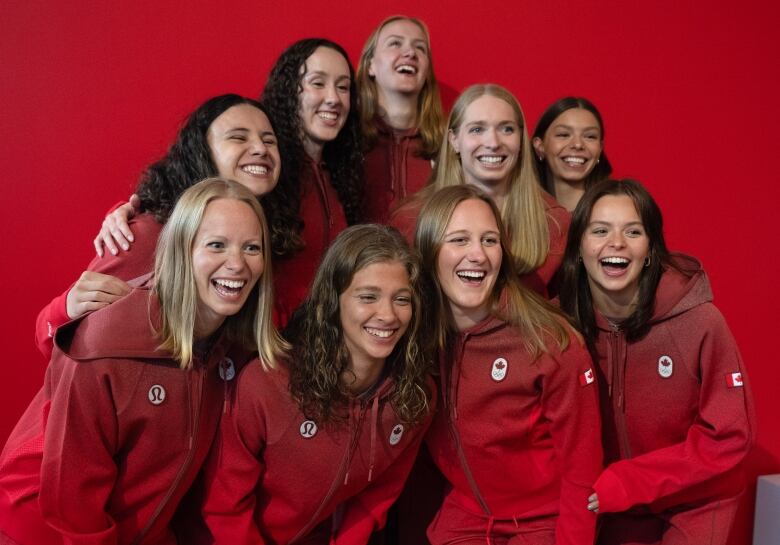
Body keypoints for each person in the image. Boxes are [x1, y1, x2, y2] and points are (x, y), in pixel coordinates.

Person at [0, 178, 286, 545]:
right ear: (182, 249)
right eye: (216, 245)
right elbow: (73, 502)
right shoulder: (109, 337)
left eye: (252, 248)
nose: (237, 264)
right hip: (43, 531)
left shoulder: (231, 351)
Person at [200, 224, 435, 544]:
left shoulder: (414, 397)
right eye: (368, 297)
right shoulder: (269, 383)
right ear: (333, 301)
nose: (388, 315)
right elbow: (224, 506)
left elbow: (377, 496)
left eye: (402, 299)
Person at [558, 179, 754, 544]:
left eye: (633, 231)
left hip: (694, 502)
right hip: (609, 504)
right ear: (579, 248)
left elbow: (727, 437)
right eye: (600, 230)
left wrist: (632, 480)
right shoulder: (561, 329)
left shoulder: (700, 322)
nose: (616, 242)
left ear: (650, 248)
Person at [416, 185, 601, 544]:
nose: (478, 255)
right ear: (429, 251)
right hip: (466, 517)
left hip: (543, 522)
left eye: (489, 240)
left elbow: (583, 470)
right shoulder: (416, 337)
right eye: (459, 240)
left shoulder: (550, 340)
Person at [36, 94, 281, 358]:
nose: (260, 148)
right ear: (201, 150)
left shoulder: (272, 237)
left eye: (269, 140)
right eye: (238, 137)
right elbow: (56, 340)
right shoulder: (147, 234)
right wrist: (65, 310)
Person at [392, 84, 568, 297]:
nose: (493, 142)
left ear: (521, 141)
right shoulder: (411, 220)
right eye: (477, 129)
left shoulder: (555, 222)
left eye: (507, 129)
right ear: (454, 140)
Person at [260, 38, 364, 325]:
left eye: (342, 87)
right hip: (269, 350)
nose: (333, 98)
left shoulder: (343, 175)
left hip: (328, 348)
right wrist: (126, 212)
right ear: (289, 91)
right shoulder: (262, 167)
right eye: (318, 83)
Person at [356, 15, 444, 223]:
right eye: (395, 43)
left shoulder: (448, 146)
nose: (410, 53)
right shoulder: (346, 139)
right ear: (371, 65)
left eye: (420, 48)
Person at [532, 97, 612, 212]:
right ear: (540, 146)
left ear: (600, 149)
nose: (578, 144)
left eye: (590, 136)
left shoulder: (616, 211)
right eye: (563, 135)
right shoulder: (519, 213)